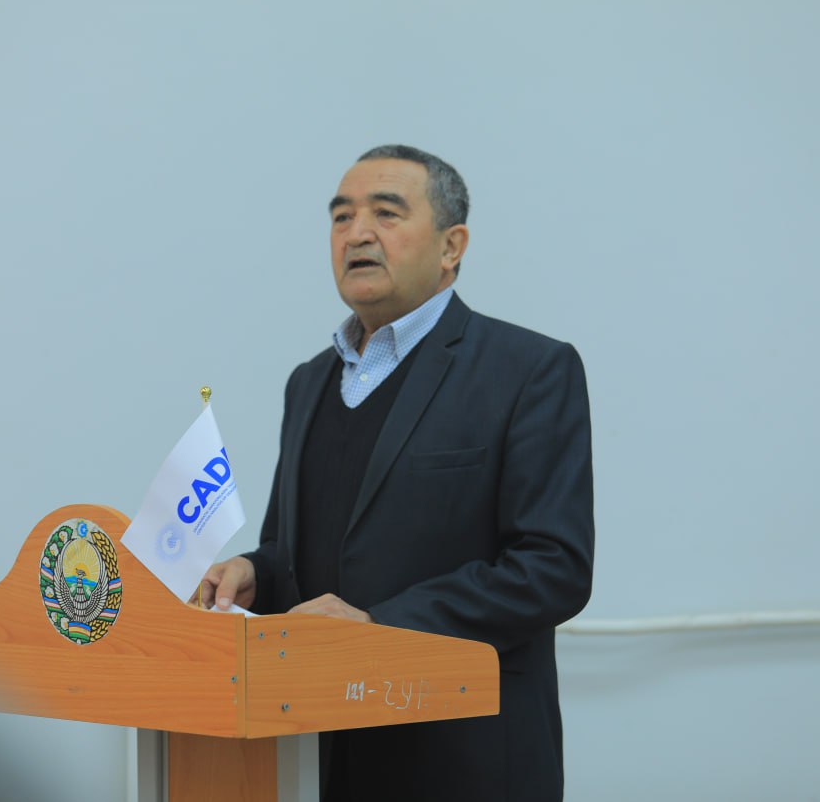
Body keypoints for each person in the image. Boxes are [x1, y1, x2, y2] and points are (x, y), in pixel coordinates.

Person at [201, 144, 594, 801]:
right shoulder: (309, 382)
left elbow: (553, 568)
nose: (357, 233)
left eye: (386, 213)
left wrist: (379, 626)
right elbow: (294, 552)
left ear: (451, 246)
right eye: (341, 217)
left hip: (462, 754)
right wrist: (253, 572)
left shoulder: (528, 370)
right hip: (318, 749)